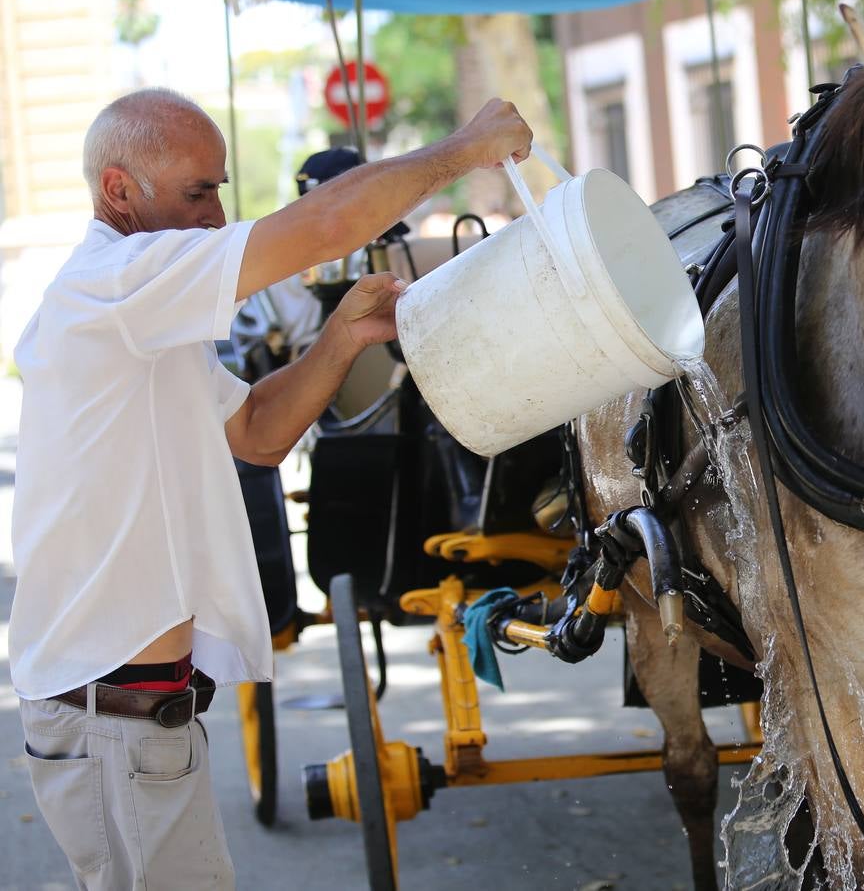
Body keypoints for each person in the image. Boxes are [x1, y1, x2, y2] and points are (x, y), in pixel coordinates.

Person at [7, 87, 531, 888]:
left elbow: (254, 430)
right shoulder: (116, 283)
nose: (217, 214)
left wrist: (343, 335)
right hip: (110, 715)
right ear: (119, 191)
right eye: (197, 191)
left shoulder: (140, 313)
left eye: (219, 189)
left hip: (136, 711)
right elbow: (321, 228)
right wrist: (464, 149)